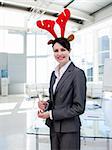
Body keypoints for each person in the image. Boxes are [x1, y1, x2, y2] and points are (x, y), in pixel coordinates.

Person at [37, 9, 86, 150]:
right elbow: (55, 101)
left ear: (69, 51)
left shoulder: (77, 73)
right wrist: (46, 105)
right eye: (56, 50)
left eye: (63, 50)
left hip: (69, 130)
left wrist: (51, 114)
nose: (59, 54)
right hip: (54, 127)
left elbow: (79, 107)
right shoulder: (54, 74)